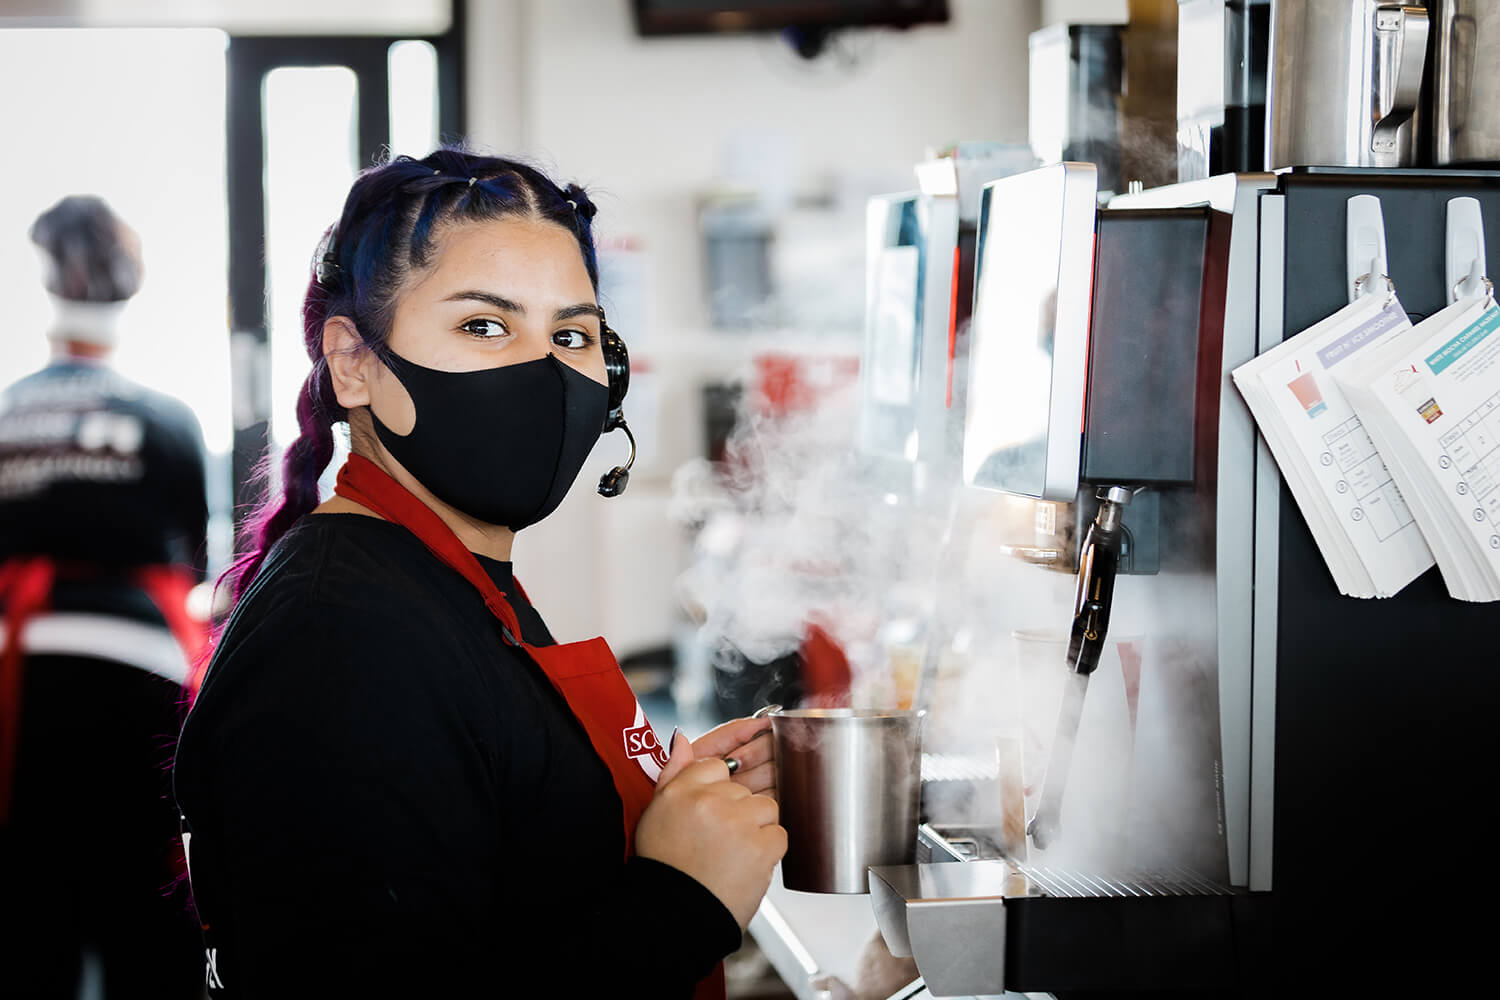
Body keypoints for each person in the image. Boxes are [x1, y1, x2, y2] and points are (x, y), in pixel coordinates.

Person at [172, 148, 786, 999]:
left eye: (570, 334)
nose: (544, 369)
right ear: (353, 361)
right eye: (485, 326)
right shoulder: (339, 639)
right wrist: (679, 901)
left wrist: (669, 811)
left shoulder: (446, 578)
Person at [0, 195, 210, 997]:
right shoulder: (166, 420)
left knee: (29, 896)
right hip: (141, 665)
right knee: (145, 897)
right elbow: (191, 572)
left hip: (20, 675)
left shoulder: (7, 411)